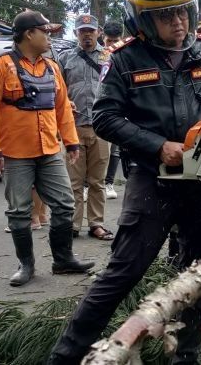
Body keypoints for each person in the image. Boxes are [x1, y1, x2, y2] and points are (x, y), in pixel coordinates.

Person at [48, 0, 201, 364]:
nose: (178, 21)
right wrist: (159, 146)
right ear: (142, 19)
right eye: (165, 15)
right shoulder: (125, 59)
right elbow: (105, 116)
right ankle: (65, 356)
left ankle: (185, 356)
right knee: (123, 272)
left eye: (182, 12)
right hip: (151, 179)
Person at [0, 10, 94, 287]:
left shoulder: (52, 67)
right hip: (16, 153)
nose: (50, 38)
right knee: (19, 212)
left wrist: (71, 141)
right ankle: (26, 265)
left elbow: (62, 107)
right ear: (29, 34)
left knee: (65, 204)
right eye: (46, 32)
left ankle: (63, 260)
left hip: (50, 150)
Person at [56, 14, 116, 240]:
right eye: (82, 31)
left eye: (91, 31)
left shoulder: (109, 57)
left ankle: (96, 224)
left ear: (99, 32)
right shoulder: (65, 59)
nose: (87, 35)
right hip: (73, 128)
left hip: (101, 128)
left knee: (97, 182)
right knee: (73, 181)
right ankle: (72, 225)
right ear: (76, 34)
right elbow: (58, 91)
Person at [101, 20, 124, 197]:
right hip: (100, 106)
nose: (112, 44)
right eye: (109, 41)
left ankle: (109, 183)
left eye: (115, 40)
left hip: (120, 108)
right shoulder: (98, 55)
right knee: (96, 150)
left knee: (115, 149)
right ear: (103, 38)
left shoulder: (126, 54)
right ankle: (89, 184)